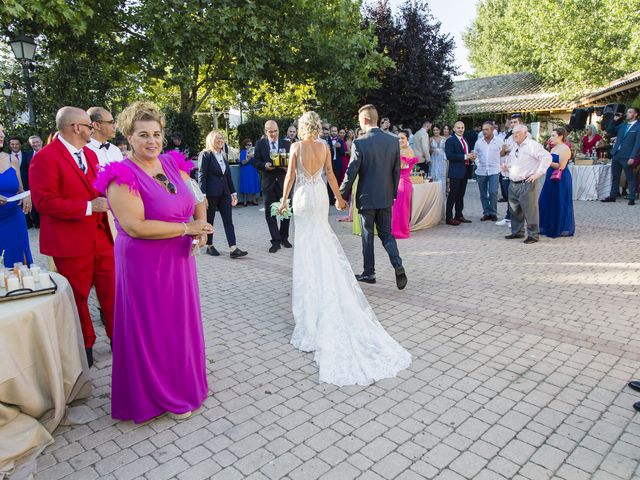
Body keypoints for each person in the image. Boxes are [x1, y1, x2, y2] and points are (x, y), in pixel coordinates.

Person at [94, 101, 212, 423]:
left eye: (156, 134)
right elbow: (135, 226)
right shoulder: (121, 175)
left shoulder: (174, 164)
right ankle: (160, 396)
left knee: (178, 323)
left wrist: (201, 227)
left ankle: (183, 383)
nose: (152, 141)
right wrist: (188, 228)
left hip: (178, 260)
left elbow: (196, 196)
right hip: (144, 263)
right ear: (128, 137)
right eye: (143, 134)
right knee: (154, 327)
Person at [278, 110, 410, 386]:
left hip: (303, 197)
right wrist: (338, 198)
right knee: (323, 239)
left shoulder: (296, 147)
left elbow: (290, 177)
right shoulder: (325, 146)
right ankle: (330, 280)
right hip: (319, 197)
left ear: (302, 127)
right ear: (318, 127)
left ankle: (311, 296)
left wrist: (282, 202)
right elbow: (329, 174)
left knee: (306, 246)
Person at [29, 107, 115, 367]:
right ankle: (84, 345)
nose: (93, 129)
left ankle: (118, 337)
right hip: (70, 242)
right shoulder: (45, 158)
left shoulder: (89, 154)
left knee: (112, 291)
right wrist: (89, 207)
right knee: (76, 297)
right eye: (90, 126)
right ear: (77, 128)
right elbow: (43, 202)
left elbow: (99, 188)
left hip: (101, 237)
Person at [340, 104, 407, 289]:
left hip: (366, 198)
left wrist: (341, 195)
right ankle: (397, 264)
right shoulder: (393, 141)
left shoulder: (360, 143)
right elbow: (396, 172)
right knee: (387, 234)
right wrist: (392, 194)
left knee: (368, 236)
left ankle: (369, 273)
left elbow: (351, 172)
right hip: (385, 196)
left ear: (364, 120)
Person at [198, 130, 248, 258]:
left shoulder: (224, 155)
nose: (220, 140)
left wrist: (233, 193)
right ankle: (209, 245)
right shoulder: (206, 155)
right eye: (217, 138)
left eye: (221, 138)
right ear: (211, 140)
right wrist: (203, 196)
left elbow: (228, 176)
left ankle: (233, 248)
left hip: (225, 193)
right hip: (211, 194)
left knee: (228, 221)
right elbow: (202, 175)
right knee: (210, 220)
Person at [502, 125, 552, 243]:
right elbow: (516, 162)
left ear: (525, 133)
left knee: (530, 210)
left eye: (518, 132)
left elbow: (547, 157)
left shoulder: (532, 145)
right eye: (513, 133)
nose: (515, 135)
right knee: (514, 209)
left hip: (526, 182)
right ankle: (517, 232)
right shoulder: (515, 146)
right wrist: (507, 167)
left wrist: (538, 173)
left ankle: (533, 235)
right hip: (514, 182)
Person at [252, 120, 292, 252]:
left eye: (276, 131)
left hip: (283, 182)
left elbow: (293, 161)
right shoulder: (260, 144)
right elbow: (256, 161)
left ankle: (284, 237)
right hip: (268, 182)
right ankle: (275, 241)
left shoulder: (287, 143)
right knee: (270, 213)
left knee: (286, 210)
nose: (274, 134)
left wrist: (288, 168)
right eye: (271, 131)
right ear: (265, 132)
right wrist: (264, 165)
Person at [0, 130, 33, 267]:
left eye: (2, 132)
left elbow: (20, 188)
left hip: (14, 215)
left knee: (20, 258)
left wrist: (27, 195)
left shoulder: (11, 159)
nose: (1, 135)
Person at [539, 127, 575, 238]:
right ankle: (548, 225)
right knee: (546, 200)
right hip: (550, 177)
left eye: (553, 135)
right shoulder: (554, 148)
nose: (551, 138)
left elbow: (561, 166)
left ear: (561, 136)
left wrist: (547, 160)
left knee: (559, 201)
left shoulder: (564, 148)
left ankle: (561, 227)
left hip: (560, 178)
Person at [601, 107, 640, 205]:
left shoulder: (638, 127)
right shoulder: (623, 125)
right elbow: (609, 131)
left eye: (630, 112)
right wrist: (614, 120)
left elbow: (637, 144)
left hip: (627, 156)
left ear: (635, 114)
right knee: (615, 176)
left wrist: (632, 157)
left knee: (630, 177)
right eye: (627, 112)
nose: (627, 113)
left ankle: (632, 197)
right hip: (616, 154)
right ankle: (612, 196)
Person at [496, 114, 530, 227]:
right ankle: (508, 217)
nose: (512, 124)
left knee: (518, 196)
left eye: (515, 122)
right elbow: (503, 151)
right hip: (506, 168)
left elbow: (523, 152)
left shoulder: (526, 135)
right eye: (511, 122)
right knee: (509, 195)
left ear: (521, 123)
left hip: (518, 170)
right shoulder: (508, 135)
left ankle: (517, 219)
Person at [444, 122, 476, 225]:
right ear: (454, 129)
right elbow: (450, 156)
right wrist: (466, 157)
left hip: (465, 171)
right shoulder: (450, 140)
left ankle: (459, 215)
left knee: (461, 195)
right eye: (458, 128)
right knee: (453, 195)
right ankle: (449, 218)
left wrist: (471, 157)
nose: (460, 129)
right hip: (455, 172)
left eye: (462, 127)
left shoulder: (465, 140)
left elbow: (467, 154)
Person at [391, 131, 420, 239]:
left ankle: (401, 231)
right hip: (398, 181)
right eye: (398, 138)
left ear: (407, 139)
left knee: (402, 208)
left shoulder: (408, 151)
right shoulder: (400, 150)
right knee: (396, 208)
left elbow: (401, 166)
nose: (400, 140)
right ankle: (395, 230)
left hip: (403, 182)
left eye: (402, 138)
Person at [473, 121, 502, 221]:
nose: (484, 131)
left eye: (487, 129)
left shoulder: (499, 141)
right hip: (481, 171)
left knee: (493, 192)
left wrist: (502, 166)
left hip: (494, 170)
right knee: (483, 194)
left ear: (492, 130)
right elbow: (475, 155)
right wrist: (478, 163)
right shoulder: (479, 142)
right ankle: (486, 212)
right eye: (483, 129)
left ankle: (493, 212)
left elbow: (503, 154)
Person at [8, 136, 34, 228]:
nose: (14, 146)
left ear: (20, 145)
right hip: (13, 185)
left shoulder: (27, 155)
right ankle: (22, 223)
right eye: (12, 144)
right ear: (9, 145)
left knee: (29, 203)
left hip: (27, 183)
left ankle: (32, 222)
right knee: (16, 204)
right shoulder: (6, 157)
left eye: (17, 144)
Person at [238, 138, 260, 206]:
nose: (250, 146)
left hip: (253, 169)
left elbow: (257, 161)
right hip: (245, 170)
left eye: (251, 144)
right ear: (245, 146)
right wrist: (248, 158)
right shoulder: (243, 152)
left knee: (254, 184)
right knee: (245, 184)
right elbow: (243, 162)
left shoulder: (254, 151)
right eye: (248, 144)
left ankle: (254, 200)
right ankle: (245, 201)